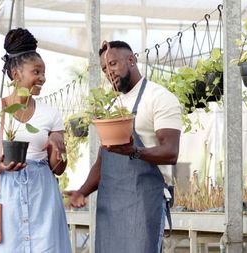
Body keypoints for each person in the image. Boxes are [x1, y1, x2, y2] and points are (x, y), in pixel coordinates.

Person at [65, 40, 182, 253]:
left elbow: (170, 152)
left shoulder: (158, 98)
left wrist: (135, 151)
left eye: (113, 64)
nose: (109, 72)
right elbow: (103, 161)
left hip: (143, 203)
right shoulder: (113, 107)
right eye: (104, 69)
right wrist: (82, 192)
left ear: (131, 60)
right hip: (110, 207)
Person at [0, 28, 72, 252]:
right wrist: (0, 165)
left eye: (44, 73)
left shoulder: (51, 114)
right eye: (36, 72)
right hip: (4, 195)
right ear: (17, 74)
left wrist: (59, 150)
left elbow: (58, 169)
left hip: (42, 197)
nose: (43, 78)